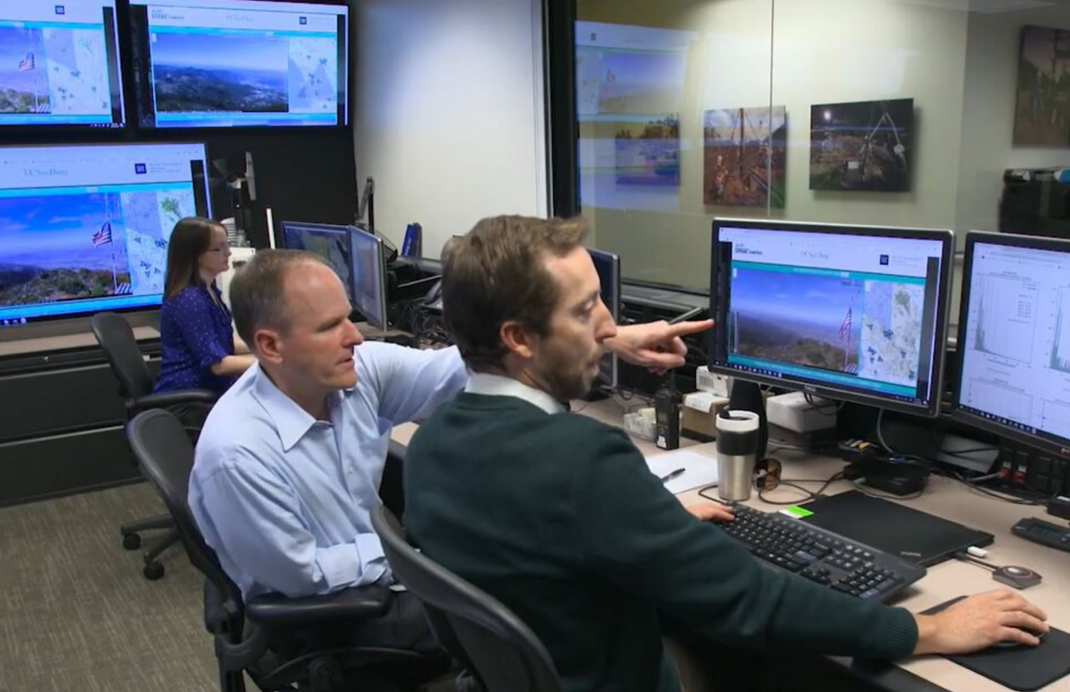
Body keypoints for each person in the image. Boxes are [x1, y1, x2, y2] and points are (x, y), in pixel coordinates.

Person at [401, 215, 1051, 692]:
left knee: (726, 647)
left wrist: (640, 515)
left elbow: (540, 520)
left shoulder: (436, 443)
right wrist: (927, 629)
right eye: (587, 308)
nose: (608, 324)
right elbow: (751, 601)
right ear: (518, 338)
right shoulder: (579, 461)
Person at [187, 246, 714, 649]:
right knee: (538, 593)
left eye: (349, 317)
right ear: (270, 347)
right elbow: (303, 576)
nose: (355, 336)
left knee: (526, 554)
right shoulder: (238, 453)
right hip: (329, 615)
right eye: (330, 327)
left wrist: (609, 337)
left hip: (378, 572)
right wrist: (422, 550)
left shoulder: (352, 374)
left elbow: (460, 367)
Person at [155, 217, 255, 395]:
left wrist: (270, 347)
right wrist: (272, 363)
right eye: (219, 248)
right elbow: (218, 365)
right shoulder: (189, 300)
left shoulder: (208, 290)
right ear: (195, 255)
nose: (228, 253)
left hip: (211, 389)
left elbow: (222, 343)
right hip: (191, 398)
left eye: (227, 244)